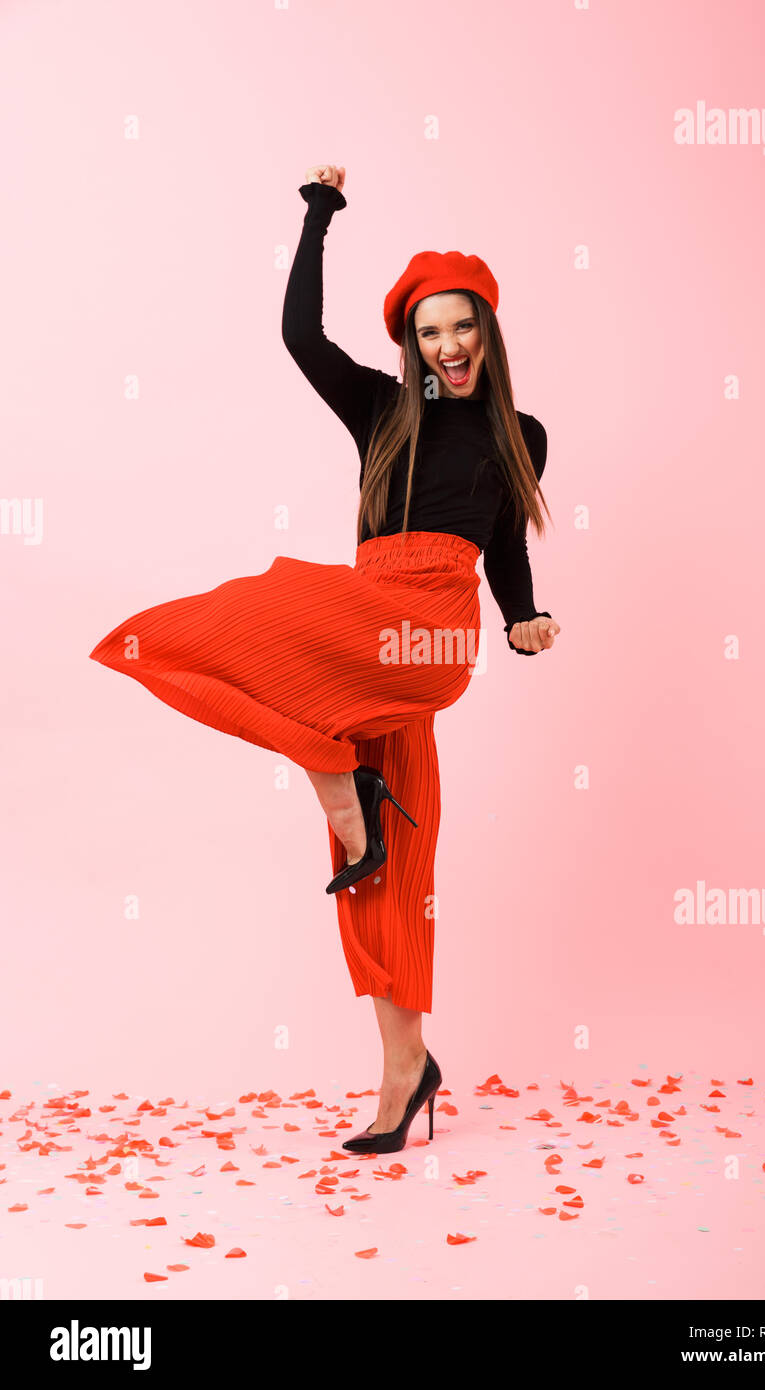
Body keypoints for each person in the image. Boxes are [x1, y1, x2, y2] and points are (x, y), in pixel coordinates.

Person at [88, 162, 560, 1154]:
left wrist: (525, 615)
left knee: (262, 609)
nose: (448, 346)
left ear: (487, 331)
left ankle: (338, 784)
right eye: (429, 332)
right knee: (393, 878)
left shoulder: (521, 434)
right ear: (411, 343)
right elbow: (301, 336)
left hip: (427, 633)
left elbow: (507, 543)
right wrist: (318, 213)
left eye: (461, 326)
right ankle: (404, 1072)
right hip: (364, 634)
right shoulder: (382, 412)